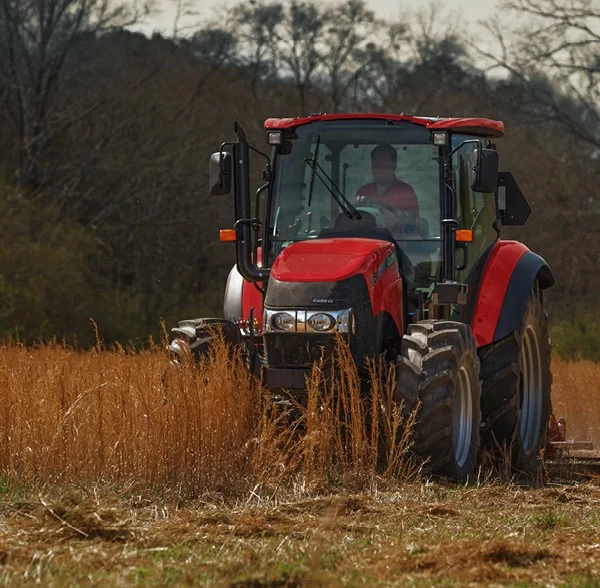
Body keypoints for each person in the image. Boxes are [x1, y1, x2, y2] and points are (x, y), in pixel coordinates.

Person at [355, 144, 420, 230]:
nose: (379, 169)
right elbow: (356, 223)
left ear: (394, 166)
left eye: (384, 165)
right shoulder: (363, 191)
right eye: (375, 165)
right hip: (367, 240)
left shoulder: (406, 191)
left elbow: (407, 225)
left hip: (396, 240)